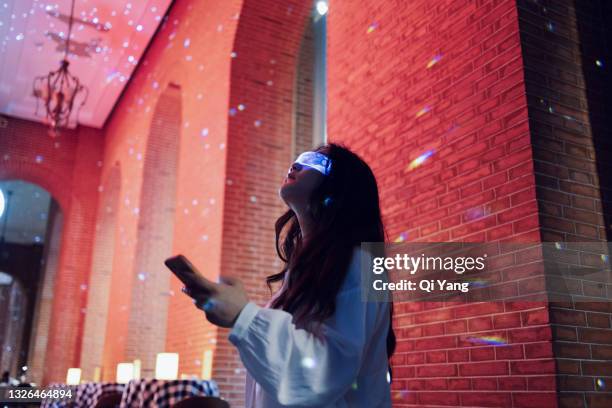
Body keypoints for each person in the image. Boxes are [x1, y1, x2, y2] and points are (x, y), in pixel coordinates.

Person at [181, 143, 396, 407]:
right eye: (298, 158)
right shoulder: (302, 272)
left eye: (313, 161)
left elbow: (322, 375)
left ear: (342, 189)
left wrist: (243, 316)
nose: (296, 165)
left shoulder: (361, 265)